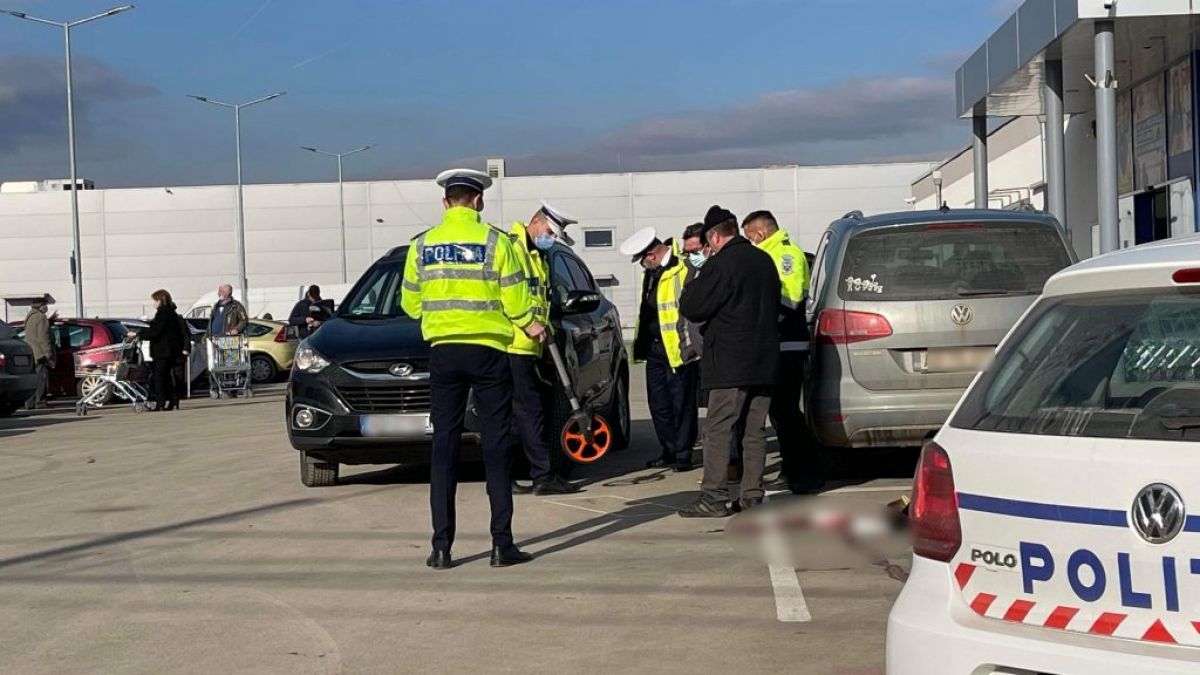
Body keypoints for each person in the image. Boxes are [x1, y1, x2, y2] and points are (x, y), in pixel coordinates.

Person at [401, 168, 546, 570]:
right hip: (488, 352)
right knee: (496, 445)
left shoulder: (422, 245)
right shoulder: (497, 242)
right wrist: (532, 325)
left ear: (445, 202)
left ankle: (441, 548)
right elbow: (515, 298)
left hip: (444, 353)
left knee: (444, 445)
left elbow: (410, 304)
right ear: (478, 201)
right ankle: (502, 544)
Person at [678, 206, 780, 517]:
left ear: (714, 237)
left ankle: (713, 496)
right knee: (754, 430)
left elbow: (693, 306)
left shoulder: (721, 264)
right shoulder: (764, 260)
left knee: (718, 429)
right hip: (764, 360)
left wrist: (699, 274)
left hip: (730, 363)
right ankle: (752, 496)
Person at [742, 210, 823, 494]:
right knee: (780, 412)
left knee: (786, 411)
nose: (749, 243)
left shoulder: (785, 254)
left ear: (760, 233)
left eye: (749, 237)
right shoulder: (769, 254)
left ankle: (806, 472)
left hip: (787, 343)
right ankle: (793, 469)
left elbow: (790, 299)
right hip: (777, 343)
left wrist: (761, 318)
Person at [507, 203, 580, 496]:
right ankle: (542, 476)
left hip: (531, 346)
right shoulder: (512, 249)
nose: (549, 238)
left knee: (523, 413)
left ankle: (514, 475)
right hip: (514, 345)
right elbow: (507, 297)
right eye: (549, 232)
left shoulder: (537, 255)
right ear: (535, 221)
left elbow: (539, 299)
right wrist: (529, 325)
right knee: (528, 412)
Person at [619, 226, 700, 472]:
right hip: (654, 348)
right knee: (659, 403)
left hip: (677, 347)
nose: (643, 266)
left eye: (643, 261)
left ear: (651, 255)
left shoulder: (684, 268)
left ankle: (683, 453)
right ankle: (669, 448)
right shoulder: (652, 274)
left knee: (682, 403)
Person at [134, 290, 185, 412]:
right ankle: (173, 401)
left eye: (155, 301)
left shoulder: (162, 313)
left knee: (160, 378)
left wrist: (139, 335)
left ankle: (160, 403)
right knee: (168, 378)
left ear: (160, 300)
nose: (154, 304)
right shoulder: (173, 314)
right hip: (171, 351)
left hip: (162, 351)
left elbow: (156, 331)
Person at [22, 296, 55, 410]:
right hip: (39, 353)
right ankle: (40, 402)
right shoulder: (41, 317)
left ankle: (29, 403)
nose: (46, 307)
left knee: (31, 380)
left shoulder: (30, 316)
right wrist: (48, 354)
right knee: (41, 379)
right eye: (45, 305)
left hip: (30, 351)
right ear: (40, 306)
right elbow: (43, 337)